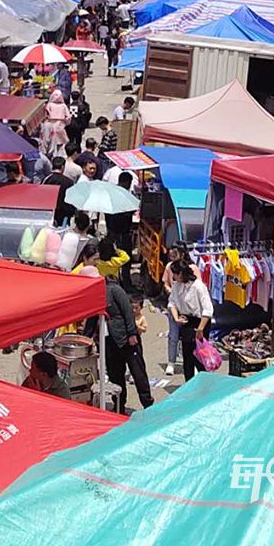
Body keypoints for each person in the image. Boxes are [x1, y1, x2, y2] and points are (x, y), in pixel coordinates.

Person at [104, 273, 153, 414]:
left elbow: (127, 312)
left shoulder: (115, 290)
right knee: (115, 374)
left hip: (127, 338)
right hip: (111, 339)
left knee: (138, 373)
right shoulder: (100, 293)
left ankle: (147, 404)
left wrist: (131, 333)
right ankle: (119, 405)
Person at [168, 260, 214, 382]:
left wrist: (200, 329)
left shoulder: (198, 286)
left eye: (175, 274)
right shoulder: (177, 285)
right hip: (186, 322)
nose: (174, 277)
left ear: (182, 273)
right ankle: (189, 384)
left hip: (200, 322)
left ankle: (205, 384)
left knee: (199, 357)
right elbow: (172, 302)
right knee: (187, 357)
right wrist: (176, 318)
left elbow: (208, 310)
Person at [162, 244, 190, 375]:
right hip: (173, 306)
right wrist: (170, 291)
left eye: (175, 255)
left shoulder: (190, 268)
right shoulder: (169, 267)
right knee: (173, 335)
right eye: (171, 255)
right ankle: (171, 362)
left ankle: (189, 362)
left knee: (188, 337)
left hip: (187, 308)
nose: (172, 258)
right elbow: (165, 283)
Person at [105, 171, 136, 287]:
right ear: (128, 183)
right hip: (123, 233)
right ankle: (126, 284)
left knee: (113, 259)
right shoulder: (126, 196)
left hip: (111, 231)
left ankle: (114, 280)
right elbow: (128, 214)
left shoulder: (111, 194)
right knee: (125, 259)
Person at [43, 156, 75, 225]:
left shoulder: (47, 180)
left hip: (50, 214)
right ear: (63, 167)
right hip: (64, 216)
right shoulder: (69, 182)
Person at [41, 89, 72, 157]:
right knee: (61, 146)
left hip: (50, 126)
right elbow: (68, 117)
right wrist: (65, 123)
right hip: (60, 127)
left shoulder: (49, 105)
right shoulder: (63, 106)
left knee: (50, 144)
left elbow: (45, 115)